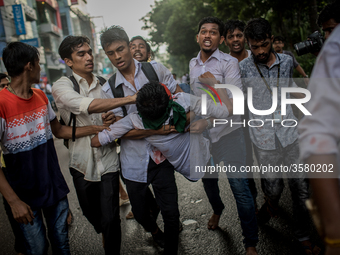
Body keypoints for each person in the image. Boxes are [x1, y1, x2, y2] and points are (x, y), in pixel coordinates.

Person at [0, 42, 108, 255]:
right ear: (29, 66)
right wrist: (13, 202)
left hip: (53, 188)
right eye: (39, 64)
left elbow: (59, 131)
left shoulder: (40, 96)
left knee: (62, 245)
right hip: (23, 194)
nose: (40, 68)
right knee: (37, 249)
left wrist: (98, 128)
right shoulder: (2, 103)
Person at [239, 18, 320, 255]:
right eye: (255, 47)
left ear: (272, 39)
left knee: (301, 189)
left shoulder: (286, 61)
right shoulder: (244, 67)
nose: (261, 51)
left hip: (290, 135)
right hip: (263, 140)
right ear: (248, 44)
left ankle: (303, 236)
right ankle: (271, 204)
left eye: (265, 44)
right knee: (274, 189)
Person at [99, 25, 183, 254]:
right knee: (141, 213)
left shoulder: (155, 70)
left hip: (161, 157)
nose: (117, 57)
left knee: (171, 212)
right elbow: (118, 131)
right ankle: (155, 232)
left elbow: (178, 97)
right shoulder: (110, 89)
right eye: (110, 53)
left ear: (129, 46)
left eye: (120, 49)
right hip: (133, 162)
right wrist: (156, 130)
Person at [52, 35, 137, 254]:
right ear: (68, 61)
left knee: (111, 219)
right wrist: (130, 99)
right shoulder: (62, 85)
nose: (89, 57)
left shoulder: (104, 84)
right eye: (81, 54)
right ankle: (104, 233)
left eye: (89, 52)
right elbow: (87, 105)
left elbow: (115, 114)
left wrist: (111, 117)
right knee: (91, 213)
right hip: (81, 162)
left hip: (108, 160)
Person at [189, 16, 258, 255]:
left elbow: (236, 105)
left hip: (230, 135)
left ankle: (250, 243)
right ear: (197, 36)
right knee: (209, 185)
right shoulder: (192, 64)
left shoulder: (229, 63)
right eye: (203, 31)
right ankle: (217, 209)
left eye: (213, 32)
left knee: (240, 188)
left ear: (220, 38)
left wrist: (214, 86)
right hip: (205, 138)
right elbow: (197, 103)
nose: (208, 35)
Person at [91, 81, 231, 179]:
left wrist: (105, 124)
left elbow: (95, 142)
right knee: (184, 88)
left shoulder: (135, 119)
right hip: (204, 158)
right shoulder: (184, 101)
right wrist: (217, 86)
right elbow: (226, 112)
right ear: (169, 99)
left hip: (187, 170)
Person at [298, 5, 340, 255]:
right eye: (326, 32)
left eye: (330, 31)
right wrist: (335, 234)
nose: (327, 39)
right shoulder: (335, 49)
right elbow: (317, 131)